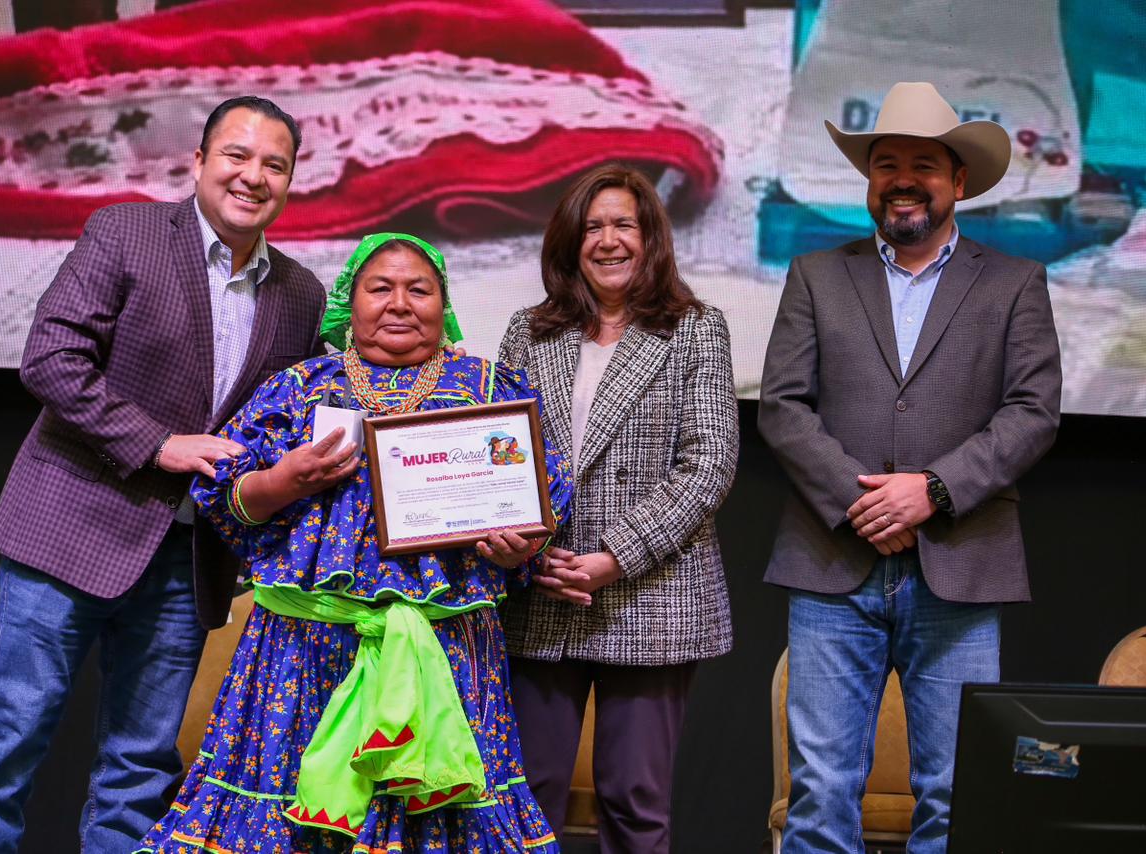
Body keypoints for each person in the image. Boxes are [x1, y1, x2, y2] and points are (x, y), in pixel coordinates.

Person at [0, 96, 330, 853]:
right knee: (9, 742)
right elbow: (51, 360)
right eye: (237, 156)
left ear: (290, 181)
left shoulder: (301, 294)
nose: (253, 176)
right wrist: (160, 444)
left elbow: (281, 421)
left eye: (274, 165)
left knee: (140, 768)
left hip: (188, 564)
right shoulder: (127, 232)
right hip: (67, 534)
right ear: (199, 163)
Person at [136, 233, 573, 853]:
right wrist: (283, 480)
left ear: (442, 306)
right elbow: (226, 502)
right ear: (349, 303)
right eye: (380, 288)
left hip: (442, 651)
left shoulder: (491, 389)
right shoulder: (298, 388)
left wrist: (517, 549)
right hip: (300, 651)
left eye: (419, 290)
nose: (400, 303)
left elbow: (541, 499)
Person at [758, 82, 1062, 854]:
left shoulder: (1015, 283)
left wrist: (931, 491)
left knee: (957, 791)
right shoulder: (817, 276)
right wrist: (865, 503)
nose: (902, 178)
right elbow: (782, 408)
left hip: (961, 570)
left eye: (923, 164)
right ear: (868, 182)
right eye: (885, 162)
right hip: (834, 566)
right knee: (821, 789)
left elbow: (1033, 413)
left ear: (959, 182)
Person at [497, 164, 739, 852]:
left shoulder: (695, 329)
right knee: (523, 793)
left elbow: (709, 464)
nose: (608, 240)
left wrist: (614, 557)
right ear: (571, 242)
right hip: (541, 588)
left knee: (633, 802)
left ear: (651, 238)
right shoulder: (527, 331)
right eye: (593, 226)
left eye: (623, 225)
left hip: (650, 594)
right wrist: (523, 543)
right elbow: (503, 455)